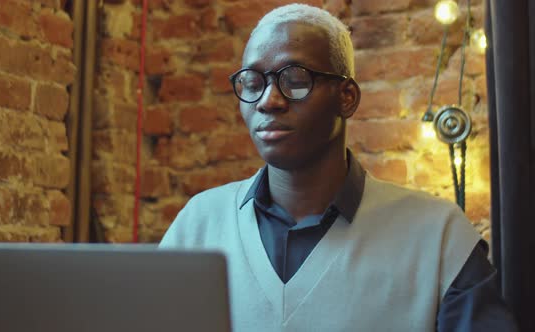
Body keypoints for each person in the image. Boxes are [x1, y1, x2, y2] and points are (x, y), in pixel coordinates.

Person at [160, 4, 516, 331]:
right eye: (252, 83)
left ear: (347, 97)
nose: (269, 100)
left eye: (295, 80)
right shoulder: (199, 225)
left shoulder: (438, 236)